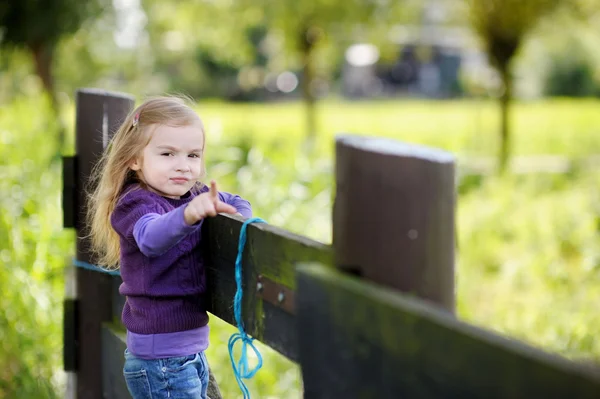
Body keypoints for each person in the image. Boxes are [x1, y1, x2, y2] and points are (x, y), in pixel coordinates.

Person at [87, 95, 252, 398]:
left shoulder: (193, 194)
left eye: (193, 155)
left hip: (188, 352)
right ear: (134, 159)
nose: (183, 167)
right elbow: (152, 238)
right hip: (160, 361)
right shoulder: (135, 203)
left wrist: (246, 222)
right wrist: (189, 215)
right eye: (167, 154)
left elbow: (238, 202)